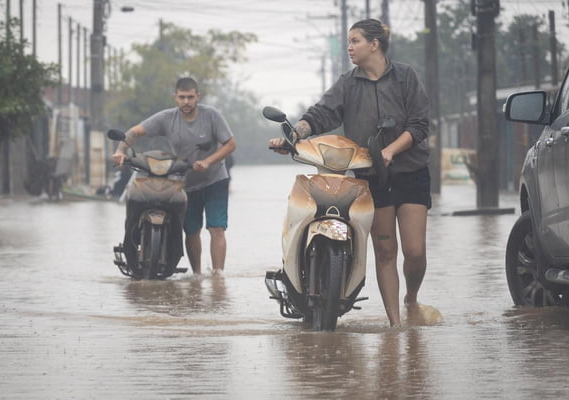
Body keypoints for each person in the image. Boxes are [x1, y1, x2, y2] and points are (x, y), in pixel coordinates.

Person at [269, 19, 430, 327]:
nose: (350, 47)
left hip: (411, 172)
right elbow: (320, 114)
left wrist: (390, 150)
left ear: (375, 44)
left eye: (355, 41)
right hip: (371, 177)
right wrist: (294, 135)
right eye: (349, 42)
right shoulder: (348, 83)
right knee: (384, 250)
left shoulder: (405, 76)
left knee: (414, 251)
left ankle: (411, 297)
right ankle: (396, 326)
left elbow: (419, 125)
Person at [112, 77, 236, 275]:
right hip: (185, 181)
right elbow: (135, 131)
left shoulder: (211, 115)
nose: (186, 102)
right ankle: (197, 275)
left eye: (190, 97)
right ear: (175, 98)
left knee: (216, 228)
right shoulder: (166, 118)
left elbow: (230, 144)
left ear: (197, 97)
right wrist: (120, 151)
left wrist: (208, 161)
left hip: (215, 179)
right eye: (182, 97)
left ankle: (218, 277)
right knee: (191, 230)